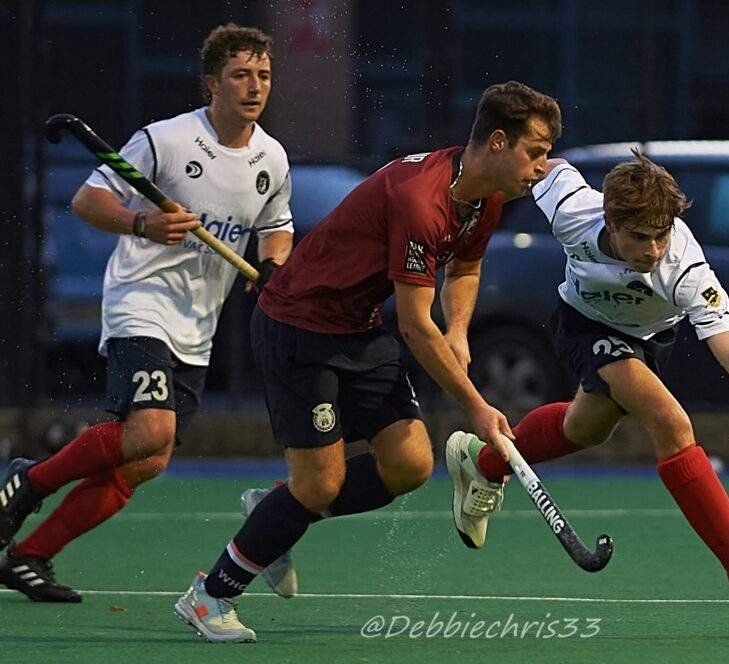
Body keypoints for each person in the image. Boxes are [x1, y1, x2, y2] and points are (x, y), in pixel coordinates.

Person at [172, 80, 562, 643]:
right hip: (299, 327)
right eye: (535, 151)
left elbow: (466, 270)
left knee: (408, 464)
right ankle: (210, 597)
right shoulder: (420, 200)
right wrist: (476, 406)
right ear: (498, 142)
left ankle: (277, 516)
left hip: (357, 328)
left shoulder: (487, 198)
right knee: (320, 484)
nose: (543, 167)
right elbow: (412, 325)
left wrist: (458, 329)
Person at [446, 149, 729, 622]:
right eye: (639, 237)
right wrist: (460, 201)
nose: (652, 250)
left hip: (647, 338)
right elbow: (525, 163)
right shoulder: (573, 208)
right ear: (610, 221)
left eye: (661, 235)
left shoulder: (687, 271)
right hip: (583, 325)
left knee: (585, 429)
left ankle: (482, 460)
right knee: (671, 421)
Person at [0, 24, 293, 602]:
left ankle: (30, 556)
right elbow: (88, 199)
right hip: (142, 300)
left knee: (147, 460)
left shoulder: (272, 158)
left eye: (262, 75)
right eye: (240, 74)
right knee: (151, 428)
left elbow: (275, 233)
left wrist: (274, 272)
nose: (253, 86)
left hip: (198, 322)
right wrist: (142, 222)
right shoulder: (166, 140)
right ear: (213, 83)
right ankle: (28, 482)